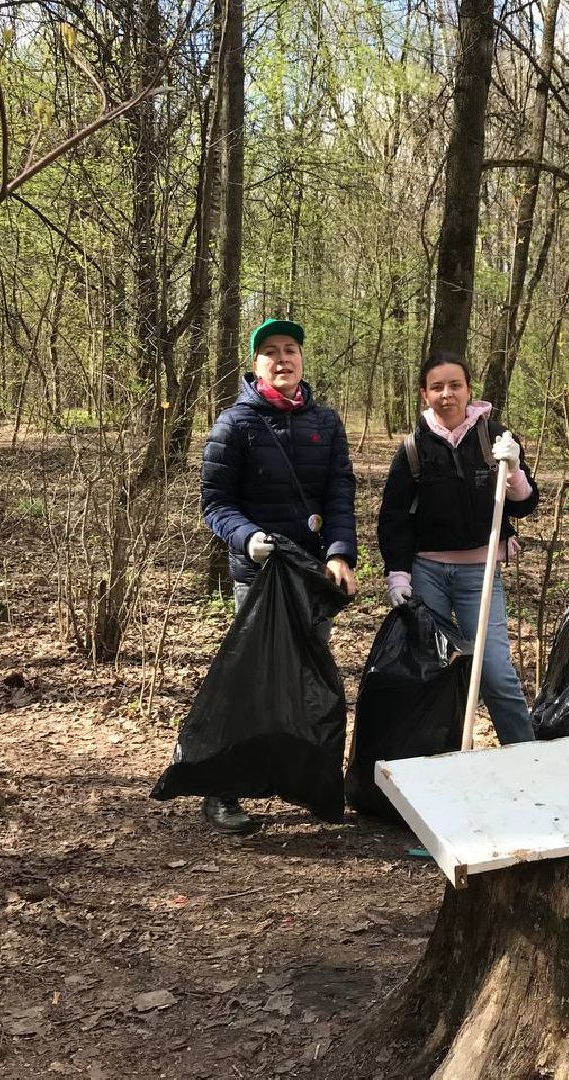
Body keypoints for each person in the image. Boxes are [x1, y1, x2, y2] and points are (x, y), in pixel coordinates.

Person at [199, 317, 358, 834]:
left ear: (302, 359)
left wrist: (338, 553)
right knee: (254, 682)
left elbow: (339, 494)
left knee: (310, 684)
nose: (283, 359)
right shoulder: (235, 425)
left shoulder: (326, 423)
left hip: (311, 579)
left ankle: (308, 784)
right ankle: (221, 792)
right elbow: (216, 503)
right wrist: (249, 538)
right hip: (260, 576)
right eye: (271, 351)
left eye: (291, 349)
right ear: (256, 364)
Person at [377, 351, 539, 745]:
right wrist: (398, 574)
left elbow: (526, 504)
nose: (446, 394)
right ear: (423, 394)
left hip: (479, 575)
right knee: (432, 668)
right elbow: (394, 516)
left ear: (468, 390)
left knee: (495, 671)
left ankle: (528, 758)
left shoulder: (495, 437)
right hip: (426, 573)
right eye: (437, 387)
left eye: (455, 385)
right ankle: (433, 757)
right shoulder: (414, 446)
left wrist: (515, 470)